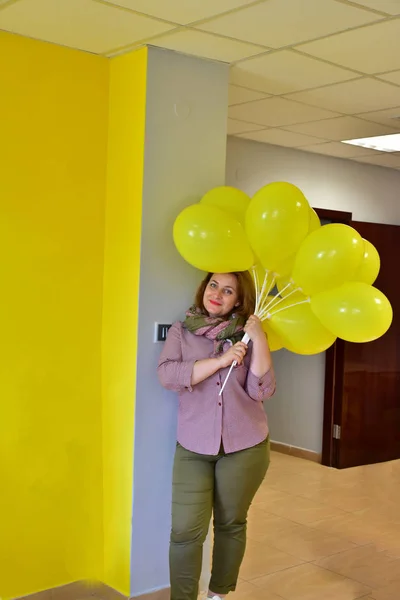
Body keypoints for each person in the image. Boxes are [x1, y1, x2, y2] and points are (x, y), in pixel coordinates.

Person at [157, 271, 276, 600]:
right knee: (184, 531)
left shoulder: (247, 336)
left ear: (237, 300)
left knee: (230, 524)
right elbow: (168, 374)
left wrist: (260, 339)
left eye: (228, 291)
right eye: (213, 285)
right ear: (204, 288)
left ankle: (218, 595)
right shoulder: (182, 331)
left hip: (245, 446)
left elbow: (260, 390)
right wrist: (222, 360)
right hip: (193, 447)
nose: (217, 294)